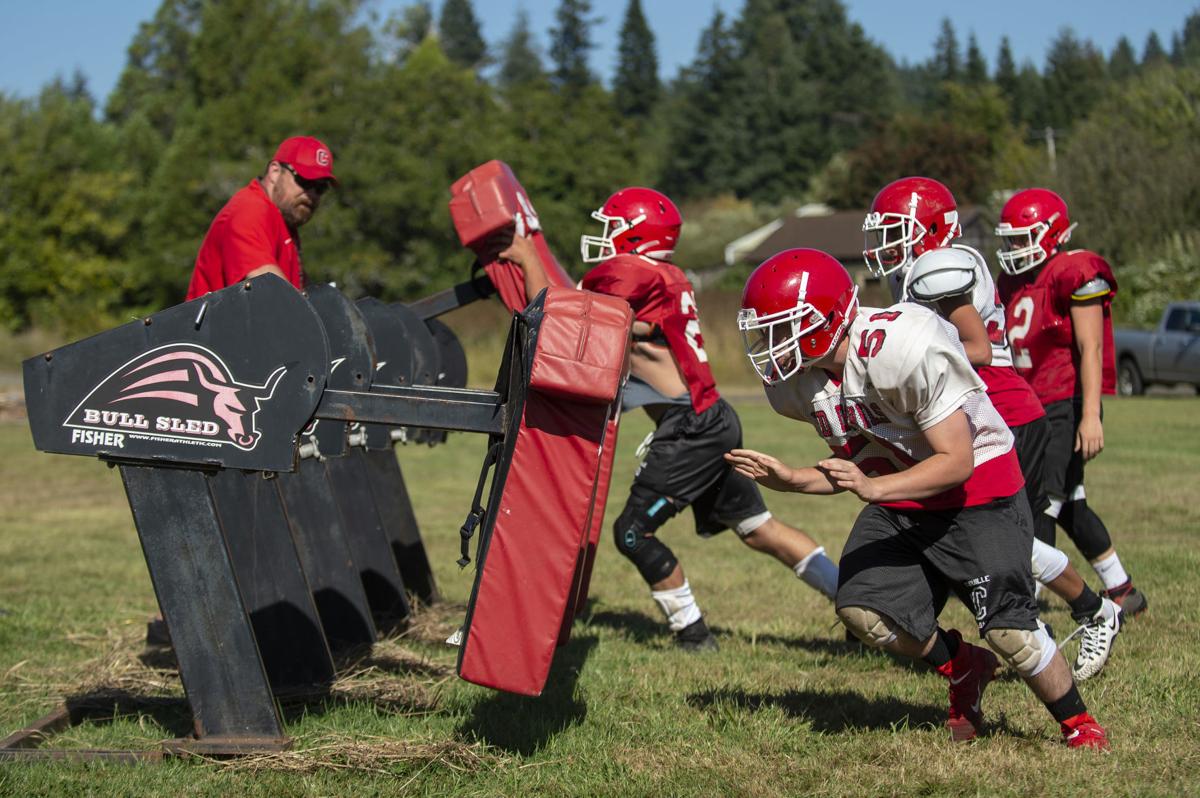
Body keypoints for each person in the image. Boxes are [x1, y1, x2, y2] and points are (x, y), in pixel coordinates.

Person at [727, 249, 1107, 748]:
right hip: (903, 493)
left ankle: (1078, 721)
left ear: (828, 319)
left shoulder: (902, 346)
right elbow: (865, 462)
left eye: (783, 327)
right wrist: (795, 479)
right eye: (766, 330)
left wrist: (874, 489)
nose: (772, 344)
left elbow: (956, 462)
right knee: (863, 611)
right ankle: (963, 664)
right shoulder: (797, 387)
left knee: (1009, 630)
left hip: (979, 491)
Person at [497, 187, 839, 652]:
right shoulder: (662, 277)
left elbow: (556, 317)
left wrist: (523, 254)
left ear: (635, 235)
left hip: (691, 426)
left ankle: (693, 633)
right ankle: (852, 601)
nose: (604, 239)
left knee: (633, 533)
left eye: (612, 228)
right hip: (713, 415)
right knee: (759, 529)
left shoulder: (629, 271)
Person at [863, 176, 1120, 680]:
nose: (885, 243)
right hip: (974, 412)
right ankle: (1083, 612)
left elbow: (976, 349)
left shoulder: (941, 265)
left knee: (995, 539)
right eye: (883, 231)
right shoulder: (914, 269)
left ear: (932, 229)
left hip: (1000, 412)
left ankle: (1092, 611)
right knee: (982, 537)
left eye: (897, 230)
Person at [994, 188, 1146, 617]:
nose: (1015, 248)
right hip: (1028, 405)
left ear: (1052, 233)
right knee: (1070, 500)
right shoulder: (1014, 279)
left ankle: (1032, 600)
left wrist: (1091, 415)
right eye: (1010, 239)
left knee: (1043, 502)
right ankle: (1122, 589)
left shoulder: (1073, 271)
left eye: (1024, 238)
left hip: (1064, 402)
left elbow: (1091, 347)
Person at [186, 135, 337, 300]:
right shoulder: (249, 210)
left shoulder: (284, 220)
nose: (312, 194)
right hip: (211, 325)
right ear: (274, 171)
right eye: (305, 182)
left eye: (320, 188)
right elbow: (270, 287)